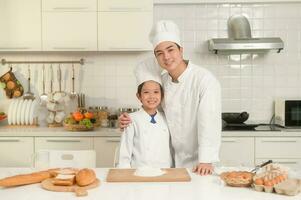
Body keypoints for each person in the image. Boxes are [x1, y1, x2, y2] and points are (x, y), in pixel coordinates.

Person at [120, 20, 221, 175]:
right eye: (159, 53)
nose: (166, 57)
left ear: (181, 50)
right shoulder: (164, 82)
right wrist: (130, 121)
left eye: (170, 49)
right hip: (172, 162)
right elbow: (154, 115)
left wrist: (206, 159)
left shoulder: (204, 80)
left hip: (200, 163)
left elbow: (209, 121)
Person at [118, 66, 172, 168]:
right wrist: (123, 173)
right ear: (139, 96)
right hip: (139, 172)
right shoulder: (131, 119)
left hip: (165, 172)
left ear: (162, 95)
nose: (151, 96)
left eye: (156, 92)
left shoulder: (166, 118)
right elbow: (125, 151)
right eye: (146, 92)